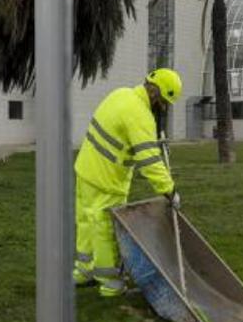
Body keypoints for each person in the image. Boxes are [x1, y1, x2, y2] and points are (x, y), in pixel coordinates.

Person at [73, 68, 182, 296]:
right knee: (104, 228)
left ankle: (84, 270)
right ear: (157, 94)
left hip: (86, 168)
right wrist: (169, 190)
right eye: (164, 102)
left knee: (86, 220)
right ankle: (110, 282)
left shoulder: (121, 94)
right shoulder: (140, 115)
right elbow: (149, 159)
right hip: (107, 179)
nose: (163, 107)